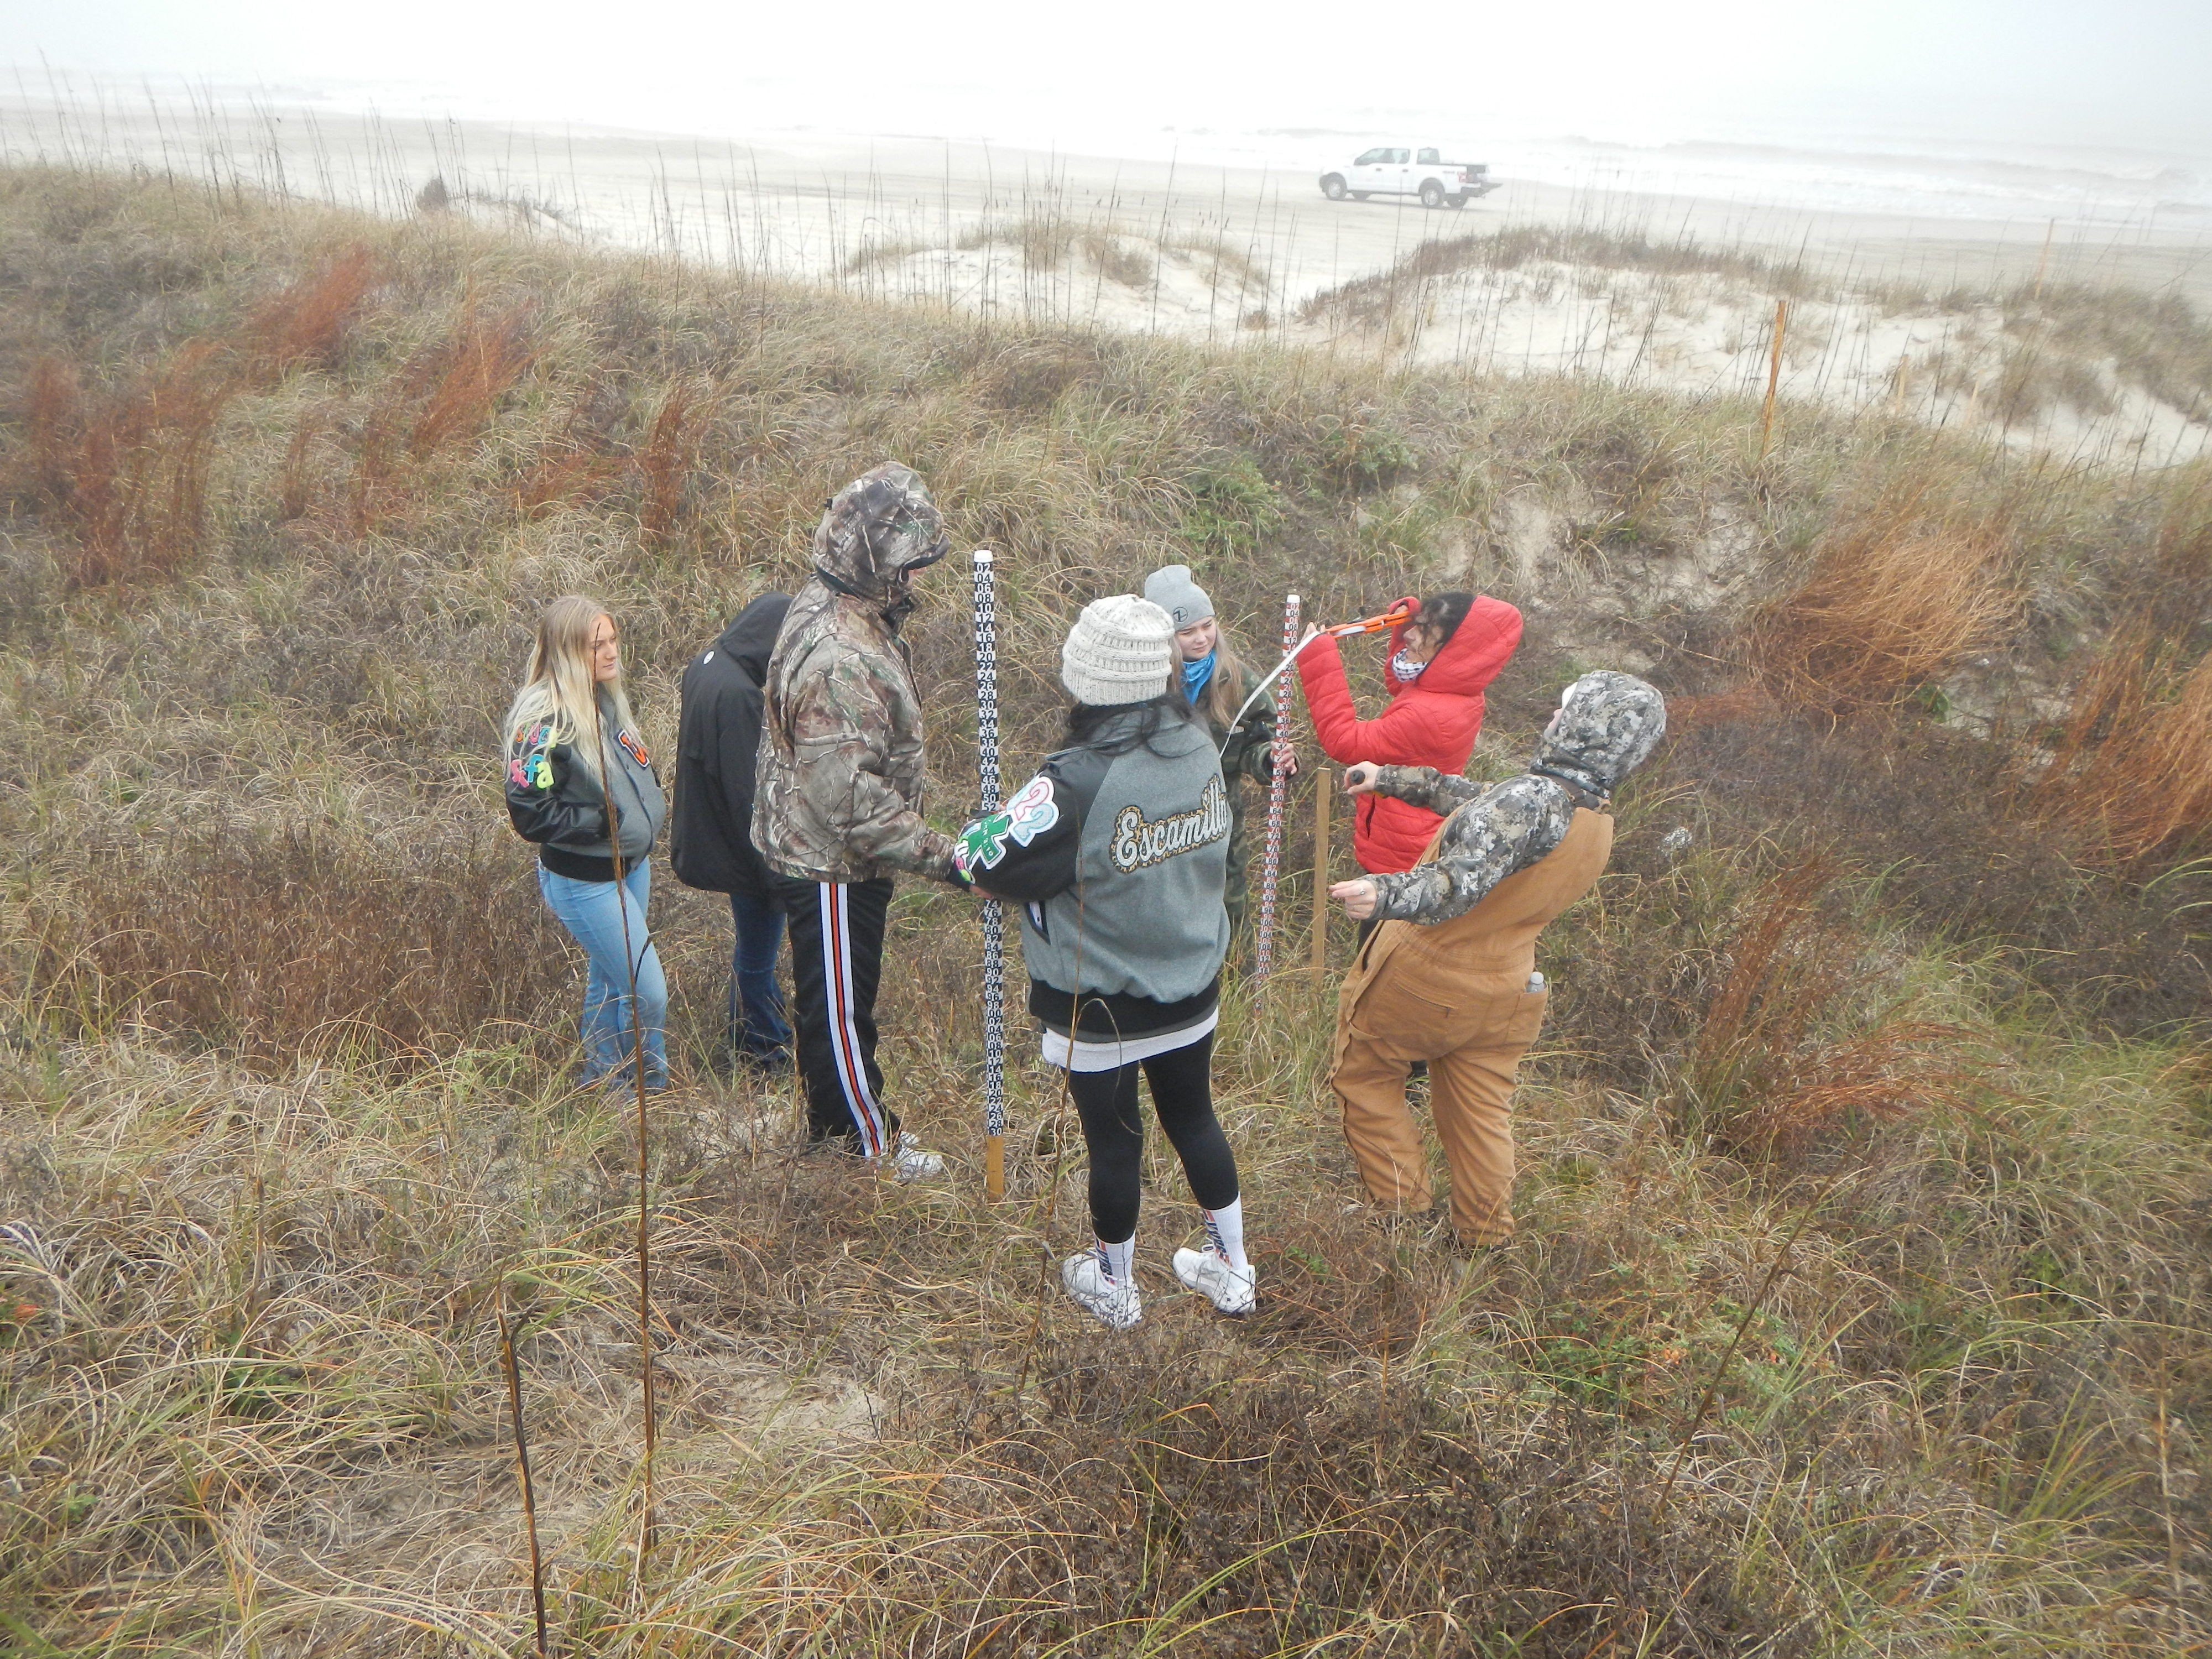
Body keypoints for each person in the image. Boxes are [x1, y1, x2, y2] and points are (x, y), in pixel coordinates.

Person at [951, 595, 1255, 1331]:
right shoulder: (1199, 745)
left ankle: (1115, 1285)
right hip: (1192, 984)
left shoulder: (1075, 782)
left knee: (1114, 1142)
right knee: (1195, 1117)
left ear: (1086, 680)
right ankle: (1233, 1269)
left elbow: (978, 856)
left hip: (1103, 1003)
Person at [1325, 671, 1666, 1247]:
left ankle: (1401, 1220)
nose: (1552, 721)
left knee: (1364, 1078)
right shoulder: (1591, 813)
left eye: (1564, 712)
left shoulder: (1531, 802)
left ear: (1585, 727)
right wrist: (1394, 779)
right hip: (1510, 990)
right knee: (1481, 1117)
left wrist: (1383, 894)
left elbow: (1455, 884)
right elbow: (1493, 812)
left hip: (1427, 980)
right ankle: (1484, 1240)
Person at [754, 464, 957, 1181]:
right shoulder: (842, 653)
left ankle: (836, 1133)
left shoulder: (846, 612)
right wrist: (946, 857)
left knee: (834, 1001)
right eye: (906, 566)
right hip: (831, 860)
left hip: (832, 850)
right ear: (874, 564)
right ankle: (866, 1151)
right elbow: (847, 800)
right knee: (839, 1012)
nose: (913, 581)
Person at [503, 595, 669, 1090]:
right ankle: (650, 1090)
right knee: (647, 991)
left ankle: (604, 1083)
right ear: (570, 652)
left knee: (610, 983)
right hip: (585, 881)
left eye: (613, 639)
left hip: (631, 866)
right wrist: (603, 823)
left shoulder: (605, 699)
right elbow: (529, 810)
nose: (612, 652)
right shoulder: (541, 723)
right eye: (598, 645)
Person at [1295, 590, 1523, 898]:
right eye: (1416, 625)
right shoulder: (1455, 689)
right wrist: (1402, 624)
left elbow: (1343, 740)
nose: (1411, 636)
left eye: (1424, 631)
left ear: (1452, 651)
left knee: (1381, 940)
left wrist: (1317, 658)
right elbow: (1401, 683)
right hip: (1408, 837)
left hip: (1402, 855)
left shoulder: (1429, 714)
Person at [671, 591, 793, 1075]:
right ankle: (761, 1047)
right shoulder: (740, 696)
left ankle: (760, 1031)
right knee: (758, 950)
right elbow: (750, 790)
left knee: (753, 944)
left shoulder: (707, 664)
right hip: (743, 846)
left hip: (710, 828)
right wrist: (776, 869)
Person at [1141, 564, 1292, 937]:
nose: (1201, 638)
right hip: (1155, 825)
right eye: (1187, 631)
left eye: (1207, 625)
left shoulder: (1237, 678)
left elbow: (1261, 741)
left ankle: (1233, 988)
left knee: (1229, 913)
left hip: (1220, 823)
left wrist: (1273, 760)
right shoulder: (1142, 682)